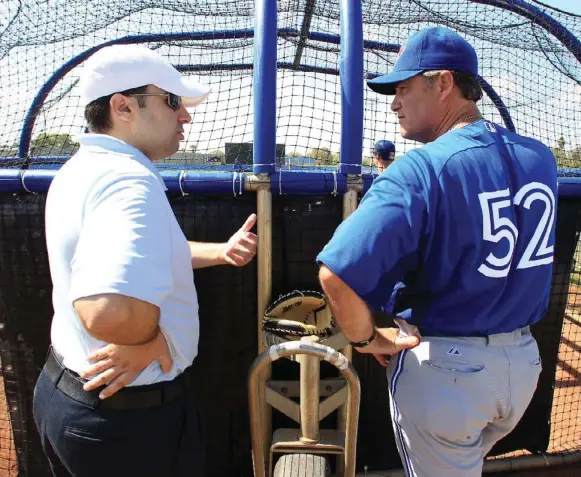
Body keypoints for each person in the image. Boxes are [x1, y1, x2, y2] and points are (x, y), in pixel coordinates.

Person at [317, 26, 556, 477]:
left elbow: (336, 274)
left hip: (447, 372)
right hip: (522, 367)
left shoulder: (419, 169)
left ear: (443, 83)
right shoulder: (539, 156)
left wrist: (369, 339)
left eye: (404, 88)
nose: (394, 103)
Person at [33, 44, 258, 477]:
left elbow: (138, 260)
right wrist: (154, 342)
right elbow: (110, 311)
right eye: (173, 101)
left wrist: (221, 253)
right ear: (122, 106)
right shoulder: (129, 182)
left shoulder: (83, 168)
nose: (185, 116)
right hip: (123, 424)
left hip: (71, 398)